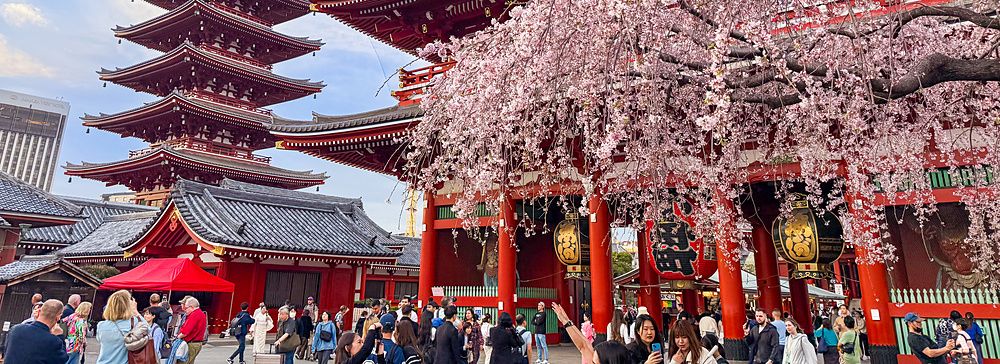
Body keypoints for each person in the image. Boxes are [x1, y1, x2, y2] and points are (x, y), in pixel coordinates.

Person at [4, 299, 68, 364]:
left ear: (39, 311)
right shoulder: (53, 341)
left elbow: (6, 351)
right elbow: (62, 360)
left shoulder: (15, 329)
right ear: (58, 317)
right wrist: (60, 336)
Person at [96, 290, 149, 364]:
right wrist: (135, 311)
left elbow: (99, 340)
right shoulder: (134, 323)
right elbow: (148, 329)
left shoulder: (101, 325)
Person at [176, 297, 207, 363]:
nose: (185, 310)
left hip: (191, 343)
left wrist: (177, 337)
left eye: (186, 308)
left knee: (183, 362)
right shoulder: (201, 313)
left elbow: (185, 332)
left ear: (192, 307)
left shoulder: (194, 315)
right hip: (195, 343)